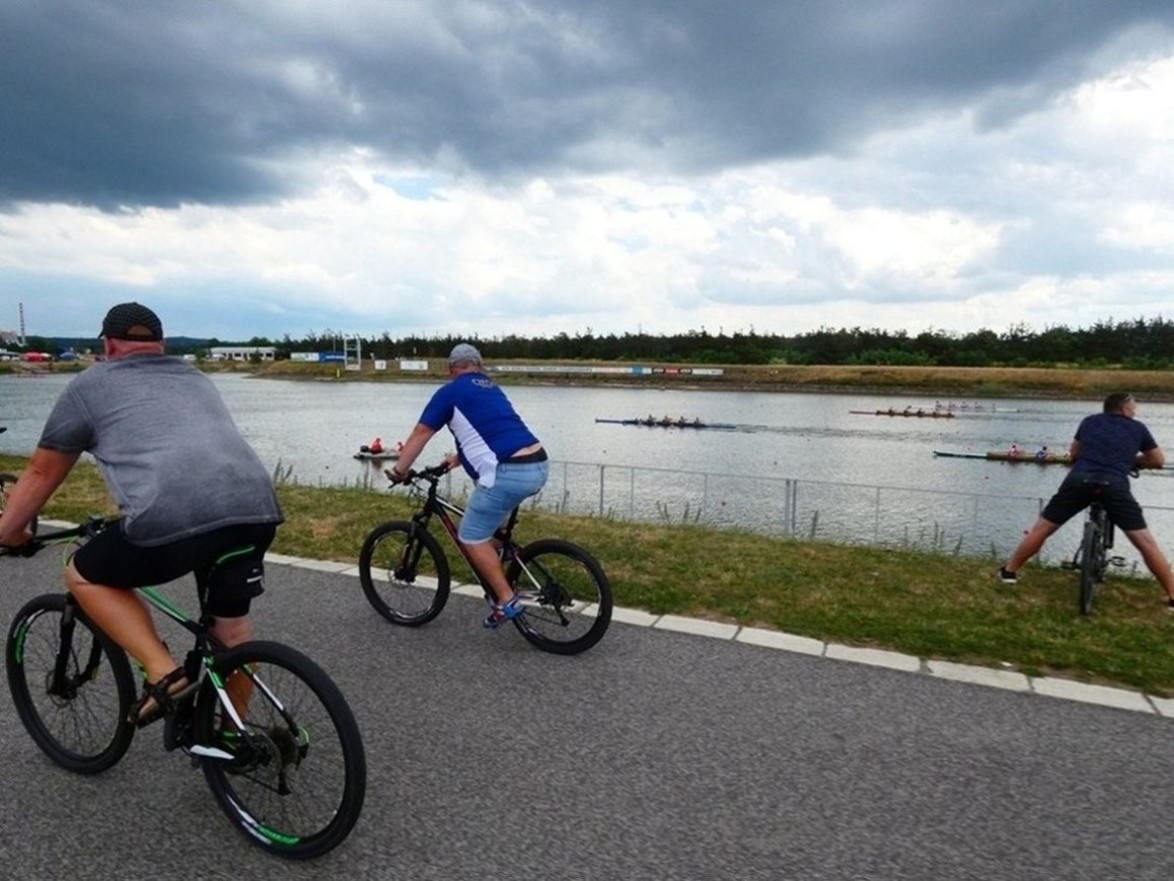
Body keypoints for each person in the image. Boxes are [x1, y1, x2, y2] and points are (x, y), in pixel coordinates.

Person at [0, 302, 284, 723]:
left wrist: (9, 532)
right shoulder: (194, 376)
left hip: (171, 517)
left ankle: (163, 672)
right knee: (232, 630)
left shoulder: (89, 385)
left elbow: (42, 471)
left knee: (82, 573)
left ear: (108, 345)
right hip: (255, 508)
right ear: (161, 344)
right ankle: (233, 736)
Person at [387, 343, 548, 628]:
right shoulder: (492, 388)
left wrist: (400, 471)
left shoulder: (450, 392)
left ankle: (506, 601)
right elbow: (493, 431)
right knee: (492, 531)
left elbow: (421, 433)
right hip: (537, 465)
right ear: (479, 365)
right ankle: (498, 565)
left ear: (451, 369)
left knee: (471, 536)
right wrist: (458, 458)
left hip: (506, 473)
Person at [998, 393, 1174, 609]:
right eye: (1133, 408)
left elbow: (1074, 452)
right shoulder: (1138, 428)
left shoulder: (1089, 421)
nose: (1135, 412)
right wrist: (1132, 460)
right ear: (1124, 409)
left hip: (1079, 480)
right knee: (1145, 542)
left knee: (1042, 529)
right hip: (1114, 484)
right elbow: (1157, 460)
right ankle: (1172, 596)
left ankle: (1009, 572)